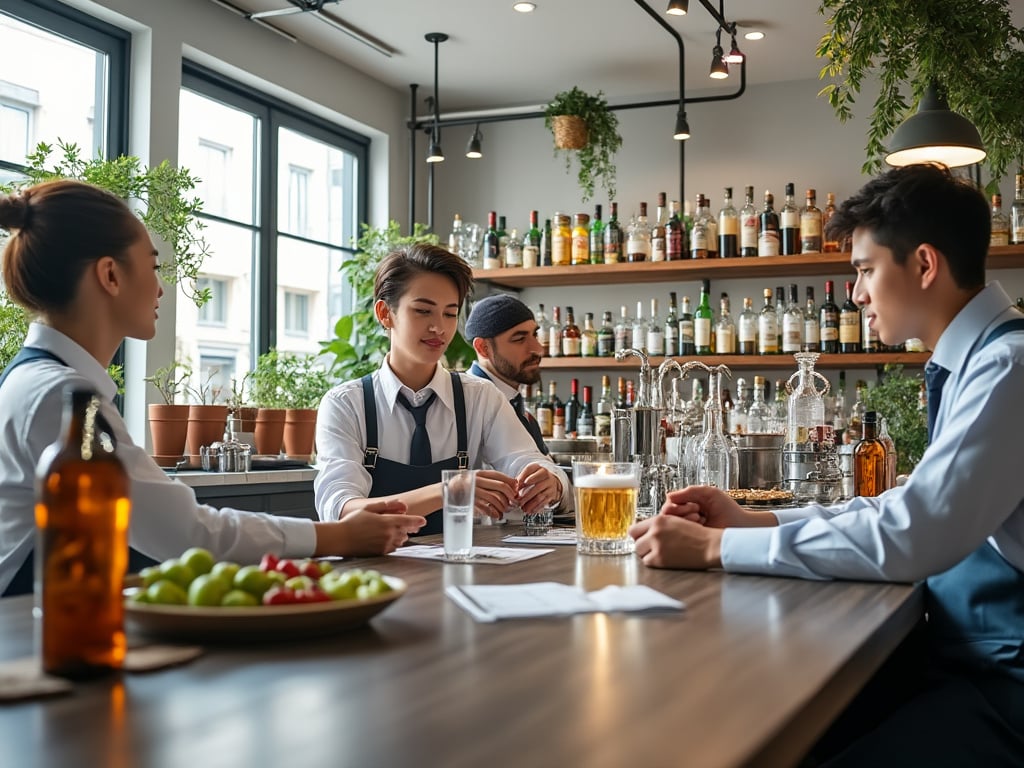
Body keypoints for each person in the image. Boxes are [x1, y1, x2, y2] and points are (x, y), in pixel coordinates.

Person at [630, 164, 1024, 765]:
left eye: (865, 271)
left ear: (924, 264)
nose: (857, 294)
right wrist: (754, 523)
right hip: (965, 661)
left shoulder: (1007, 369)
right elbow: (904, 505)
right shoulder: (980, 362)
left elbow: (917, 531)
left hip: (1004, 692)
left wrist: (714, 551)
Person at [0, 180, 425, 597]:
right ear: (110, 275)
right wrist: (340, 537)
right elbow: (186, 532)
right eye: (153, 267)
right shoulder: (59, 397)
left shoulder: (39, 382)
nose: (161, 286)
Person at [314, 243, 569, 536]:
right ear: (385, 314)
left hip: (453, 569)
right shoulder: (346, 404)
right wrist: (450, 491)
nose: (439, 328)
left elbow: (526, 459)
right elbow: (341, 511)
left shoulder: (480, 398)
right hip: (371, 573)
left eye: (450, 314)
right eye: (423, 311)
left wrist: (550, 481)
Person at [465, 293, 549, 455]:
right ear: (484, 348)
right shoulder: (468, 406)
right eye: (519, 339)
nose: (538, 349)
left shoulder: (521, 412)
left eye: (535, 335)